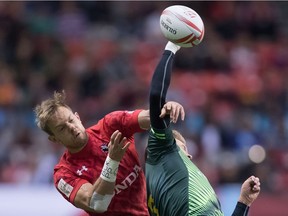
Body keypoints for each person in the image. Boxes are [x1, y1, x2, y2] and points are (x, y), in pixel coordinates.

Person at [145, 41, 261, 216]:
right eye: (181, 147)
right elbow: (156, 96)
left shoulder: (172, 179)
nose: (188, 155)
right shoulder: (160, 152)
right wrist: (171, 47)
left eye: (186, 149)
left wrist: (244, 202)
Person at [34, 90, 184, 215]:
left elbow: (148, 117)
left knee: (173, 140)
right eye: (62, 128)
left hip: (153, 211)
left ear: (77, 117)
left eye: (71, 120)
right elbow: (96, 203)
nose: (71, 128)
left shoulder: (111, 126)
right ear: (54, 139)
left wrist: (164, 111)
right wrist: (112, 161)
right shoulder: (63, 174)